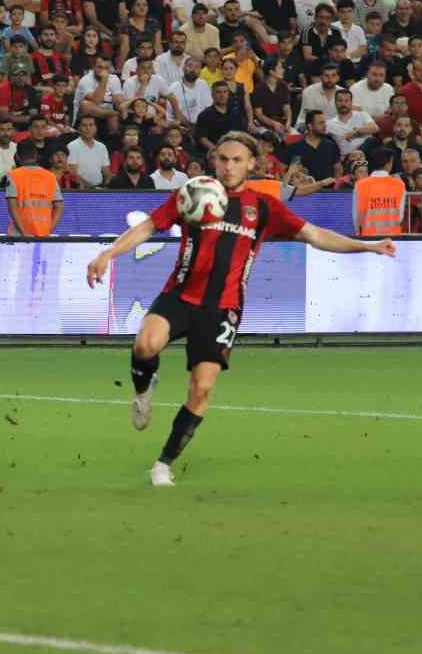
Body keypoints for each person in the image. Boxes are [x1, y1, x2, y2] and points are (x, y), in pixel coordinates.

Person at [85, 132, 397, 488]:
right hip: (180, 295)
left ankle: (163, 463)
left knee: (200, 389)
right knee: (144, 346)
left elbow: (315, 235)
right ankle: (143, 389)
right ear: (214, 161)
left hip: (223, 308)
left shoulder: (263, 207)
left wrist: (367, 246)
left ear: (252, 163)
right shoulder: (193, 193)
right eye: (223, 159)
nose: (229, 166)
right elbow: (148, 226)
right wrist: (107, 254)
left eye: (237, 160)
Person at [6, 141, 63, 236]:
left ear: (17, 156)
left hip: (19, 235)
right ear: (36, 156)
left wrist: (24, 232)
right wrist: (49, 230)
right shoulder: (50, 176)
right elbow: (59, 207)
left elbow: (12, 208)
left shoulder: (13, 175)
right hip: (43, 235)